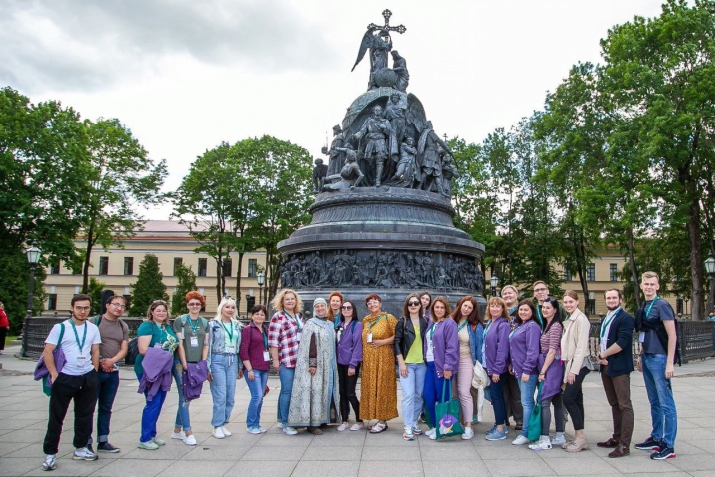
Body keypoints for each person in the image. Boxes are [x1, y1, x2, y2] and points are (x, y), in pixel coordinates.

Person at [40, 294, 101, 471]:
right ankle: (50, 453)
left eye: (86, 308)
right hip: (66, 376)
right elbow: (48, 351)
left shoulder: (92, 328)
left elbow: (95, 350)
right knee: (57, 416)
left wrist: (94, 371)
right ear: (72, 309)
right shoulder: (61, 328)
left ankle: (81, 447)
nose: (83, 311)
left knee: (85, 414)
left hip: (87, 375)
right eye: (79, 308)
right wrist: (54, 373)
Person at [634, 271, 678, 460]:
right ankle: (656, 436)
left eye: (652, 284)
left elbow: (672, 335)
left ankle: (669, 445)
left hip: (660, 359)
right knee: (654, 401)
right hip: (647, 357)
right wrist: (641, 355)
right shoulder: (644, 305)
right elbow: (645, 332)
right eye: (646, 283)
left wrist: (670, 362)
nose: (649, 286)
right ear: (642, 286)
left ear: (658, 286)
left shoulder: (662, 305)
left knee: (666, 402)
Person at [288, 298, 340, 434]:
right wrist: (312, 363)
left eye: (322, 306)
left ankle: (322, 419)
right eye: (317, 306)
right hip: (316, 365)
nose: (320, 308)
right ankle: (312, 424)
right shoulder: (310, 324)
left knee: (323, 391)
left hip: (328, 365)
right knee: (314, 391)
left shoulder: (329, 324)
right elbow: (309, 345)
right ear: (314, 308)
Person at [595, 289, 635, 458]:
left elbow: (622, 342)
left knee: (624, 405)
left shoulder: (625, 318)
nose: (611, 300)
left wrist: (603, 355)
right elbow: (604, 339)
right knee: (614, 404)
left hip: (619, 367)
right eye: (608, 298)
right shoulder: (606, 318)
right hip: (606, 366)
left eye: (614, 297)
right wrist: (600, 356)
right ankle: (616, 438)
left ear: (620, 299)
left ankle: (624, 445)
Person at [135, 300, 179, 450]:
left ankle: (152, 434)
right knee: (152, 402)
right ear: (152, 312)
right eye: (158, 310)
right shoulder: (147, 326)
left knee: (159, 403)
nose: (161, 313)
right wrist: (165, 356)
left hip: (164, 370)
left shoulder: (167, 327)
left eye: (164, 310)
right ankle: (145, 438)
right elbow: (143, 349)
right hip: (149, 369)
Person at [89, 295, 129, 453]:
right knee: (89, 407)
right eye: (116, 304)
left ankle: (103, 440)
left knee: (106, 407)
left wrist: (111, 362)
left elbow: (124, 348)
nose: (119, 308)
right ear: (107, 305)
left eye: (122, 306)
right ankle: (86, 441)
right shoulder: (95, 322)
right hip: (95, 371)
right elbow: (88, 344)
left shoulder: (122, 325)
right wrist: (100, 361)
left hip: (112, 371)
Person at [172, 291, 209, 446]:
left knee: (188, 395)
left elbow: (205, 344)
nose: (194, 306)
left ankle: (176, 430)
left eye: (197, 304)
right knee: (185, 396)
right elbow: (179, 344)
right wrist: (184, 362)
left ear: (201, 306)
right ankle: (188, 431)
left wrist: (204, 363)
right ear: (187, 305)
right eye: (191, 303)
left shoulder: (204, 323)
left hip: (196, 362)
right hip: (181, 363)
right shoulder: (180, 320)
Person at [529, 297, 565, 451]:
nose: (544, 310)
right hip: (551, 365)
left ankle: (545, 438)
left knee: (545, 401)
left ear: (555, 310)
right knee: (557, 401)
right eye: (543, 307)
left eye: (548, 308)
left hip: (552, 366)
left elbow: (552, 350)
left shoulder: (555, 326)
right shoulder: (548, 324)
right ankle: (559, 434)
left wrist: (542, 371)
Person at [360, 294, 398, 434]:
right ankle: (376, 416)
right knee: (371, 388)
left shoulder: (389, 318)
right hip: (369, 361)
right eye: (369, 303)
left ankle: (383, 420)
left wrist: (383, 342)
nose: (372, 305)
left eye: (375, 302)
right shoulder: (366, 320)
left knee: (383, 387)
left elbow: (398, 336)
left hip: (384, 359)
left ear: (380, 304)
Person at [268, 289, 305, 436]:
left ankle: (279, 418)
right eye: (287, 299)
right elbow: (273, 341)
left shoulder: (298, 316)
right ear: (282, 302)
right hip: (286, 359)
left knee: (286, 391)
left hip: (298, 360)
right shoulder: (278, 317)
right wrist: (275, 360)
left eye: (292, 299)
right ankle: (286, 423)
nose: (290, 301)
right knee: (287, 391)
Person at [560, 290, 592, 452]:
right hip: (573, 363)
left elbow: (581, 347)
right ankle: (580, 437)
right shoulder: (570, 318)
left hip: (579, 364)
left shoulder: (581, 319)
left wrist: (573, 371)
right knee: (577, 399)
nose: (568, 305)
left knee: (568, 399)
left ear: (577, 302)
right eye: (565, 302)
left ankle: (580, 438)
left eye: (571, 302)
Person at [208, 297, 243, 438]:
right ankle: (217, 425)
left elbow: (239, 347)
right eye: (227, 307)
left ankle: (223, 423)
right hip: (218, 359)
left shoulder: (237, 326)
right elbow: (208, 346)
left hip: (232, 360)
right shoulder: (213, 324)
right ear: (221, 308)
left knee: (230, 396)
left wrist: (240, 365)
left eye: (233, 307)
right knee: (220, 395)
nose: (230, 310)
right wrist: (208, 366)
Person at [394, 293, 428, 440]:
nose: (413, 306)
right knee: (408, 395)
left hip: (422, 364)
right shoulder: (402, 322)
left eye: (416, 303)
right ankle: (407, 426)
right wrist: (401, 363)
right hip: (407, 364)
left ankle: (414, 421)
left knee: (419, 395)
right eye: (410, 303)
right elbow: (396, 343)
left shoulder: (425, 321)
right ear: (407, 306)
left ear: (420, 305)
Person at [423, 296, 458, 440]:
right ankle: (435, 426)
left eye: (442, 307)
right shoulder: (432, 322)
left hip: (442, 366)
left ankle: (444, 429)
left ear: (446, 309)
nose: (439, 310)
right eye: (436, 307)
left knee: (442, 398)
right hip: (430, 365)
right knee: (428, 397)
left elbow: (452, 347)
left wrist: (448, 366)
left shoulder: (450, 323)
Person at [509, 300, 541, 446]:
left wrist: (527, 370)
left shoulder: (532, 327)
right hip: (519, 370)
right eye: (520, 310)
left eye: (526, 310)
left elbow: (532, 351)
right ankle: (532, 430)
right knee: (526, 401)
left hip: (527, 371)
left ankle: (526, 433)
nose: (522, 312)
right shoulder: (521, 325)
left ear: (532, 311)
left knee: (527, 403)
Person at [451, 295, 483, 440]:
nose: (466, 309)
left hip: (466, 360)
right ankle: (454, 423)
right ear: (460, 305)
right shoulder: (450, 321)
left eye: (470, 307)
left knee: (464, 392)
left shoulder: (475, 325)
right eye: (465, 305)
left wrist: (481, 366)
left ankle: (468, 426)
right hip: (450, 362)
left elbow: (479, 347)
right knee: (453, 395)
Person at [240, 305, 271, 434]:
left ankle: (256, 424)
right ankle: (250, 424)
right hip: (253, 368)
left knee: (261, 397)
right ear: (252, 316)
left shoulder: (265, 330)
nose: (259, 316)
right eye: (257, 314)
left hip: (264, 367)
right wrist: (249, 369)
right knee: (256, 396)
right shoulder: (248, 330)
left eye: (262, 314)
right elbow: (243, 350)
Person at [484, 297, 511, 441]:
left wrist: (497, 370)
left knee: (497, 397)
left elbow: (502, 349)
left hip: (497, 368)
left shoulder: (503, 325)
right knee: (496, 397)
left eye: (497, 306)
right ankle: (500, 425)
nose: (494, 309)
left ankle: (500, 428)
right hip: (490, 366)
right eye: (492, 306)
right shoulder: (490, 323)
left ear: (502, 309)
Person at [335, 299, 364, 431]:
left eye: (349, 308)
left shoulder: (357, 325)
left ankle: (360, 419)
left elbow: (358, 346)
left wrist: (353, 364)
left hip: (350, 363)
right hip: (339, 363)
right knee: (342, 392)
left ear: (353, 310)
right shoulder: (339, 324)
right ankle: (345, 419)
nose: (346, 310)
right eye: (344, 308)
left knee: (350, 392)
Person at [501, 285, 523, 431]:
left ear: (516, 294)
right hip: (502, 356)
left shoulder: (521, 310)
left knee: (517, 390)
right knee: (504, 391)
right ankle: (504, 417)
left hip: (517, 356)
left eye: (510, 293)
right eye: (505, 293)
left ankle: (519, 419)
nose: (507, 295)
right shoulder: (500, 312)